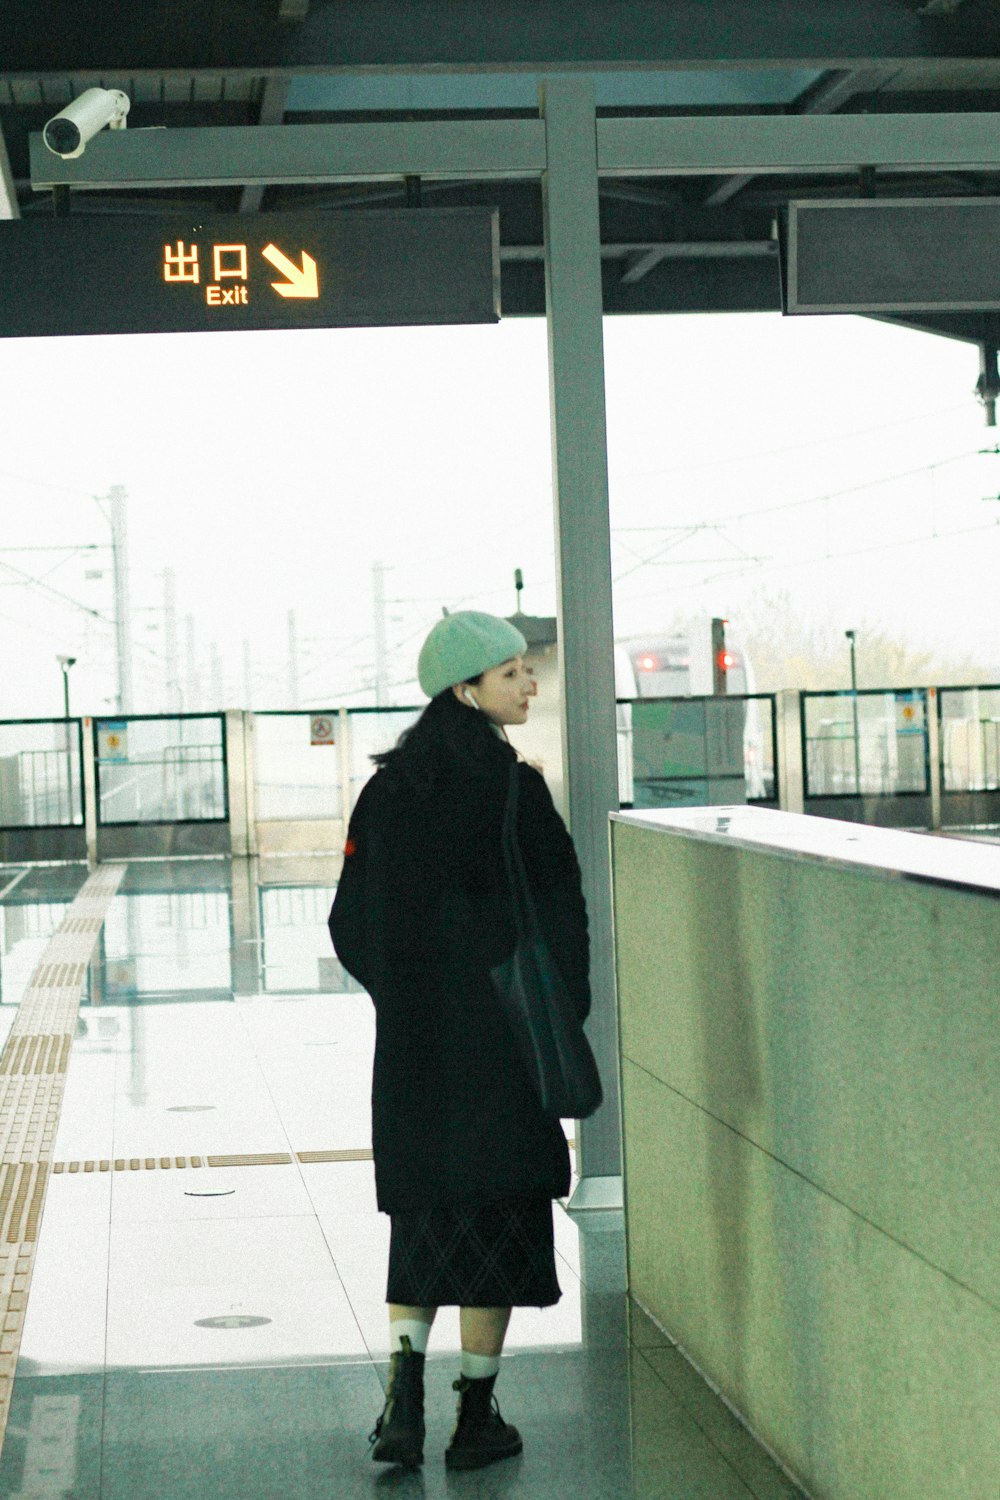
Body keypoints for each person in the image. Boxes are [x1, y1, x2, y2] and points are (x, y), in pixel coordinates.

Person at [328, 609, 590, 1472]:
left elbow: (349, 920)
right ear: (465, 689)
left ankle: (403, 1397)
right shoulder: (516, 789)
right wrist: (563, 1005)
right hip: (504, 1039)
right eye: (512, 673)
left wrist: (402, 998)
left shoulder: (385, 789)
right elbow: (562, 913)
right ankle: (475, 1418)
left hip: (417, 1043)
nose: (529, 684)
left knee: (426, 1210)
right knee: (501, 1213)